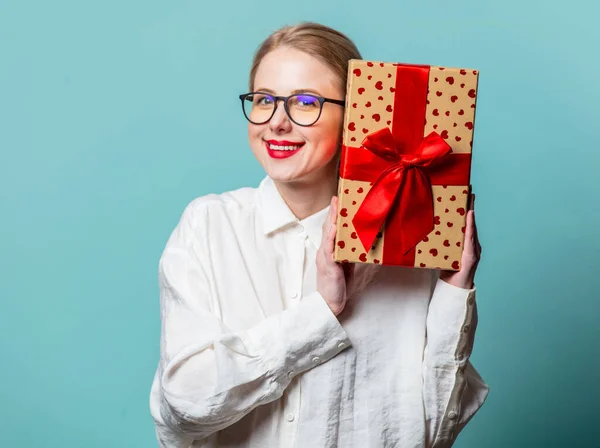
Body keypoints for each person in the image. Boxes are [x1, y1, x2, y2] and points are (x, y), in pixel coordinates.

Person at [149, 22, 489, 448]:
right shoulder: (209, 227)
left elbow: (430, 435)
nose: (277, 123)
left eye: (305, 102)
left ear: (356, 117)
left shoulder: (406, 245)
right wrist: (322, 311)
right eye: (263, 100)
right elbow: (185, 405)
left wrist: (454, 292)